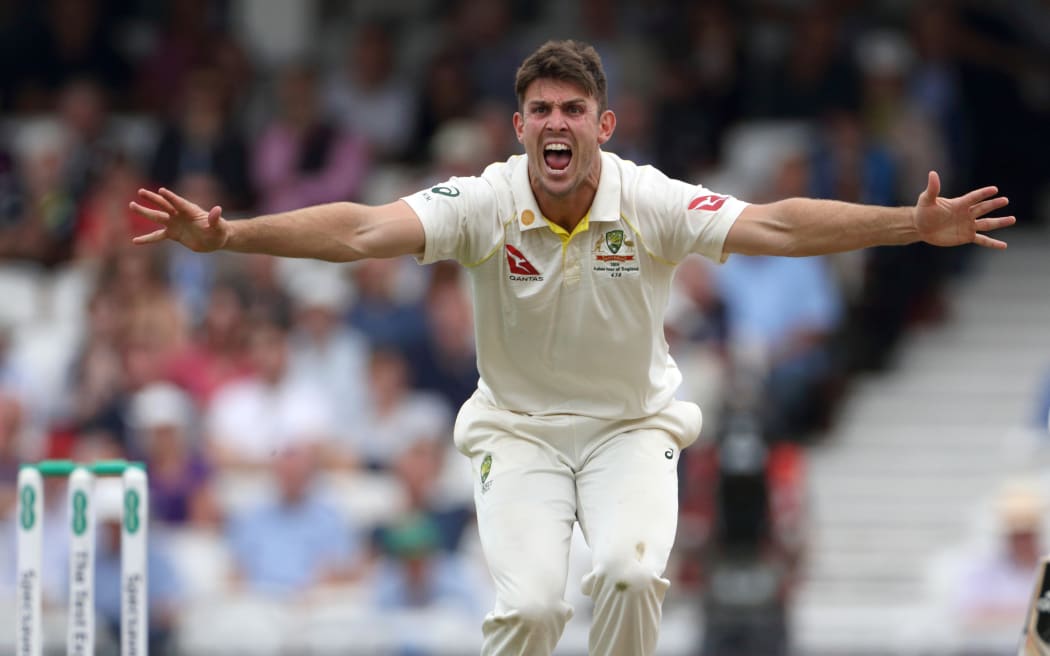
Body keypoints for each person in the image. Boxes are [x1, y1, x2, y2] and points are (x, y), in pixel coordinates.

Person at [130, 39, 1015, 656]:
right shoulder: (482, 200)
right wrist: (232, 236)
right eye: (540, 111)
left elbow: (777, 224)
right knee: (533, 604)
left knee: (630, 578)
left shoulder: (650, 199)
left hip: (631, 428)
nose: (557, 124)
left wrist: (910, 223)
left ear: (605, 123)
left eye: (574, 110)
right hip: (518, 433)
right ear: (518, 128)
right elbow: (363, 230)